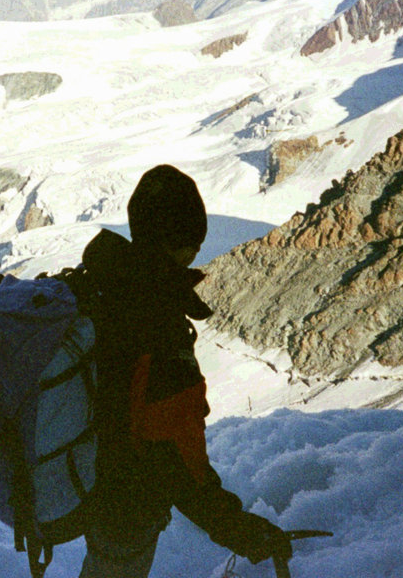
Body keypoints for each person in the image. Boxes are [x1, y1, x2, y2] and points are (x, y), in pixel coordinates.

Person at [77, 164, 290, 577]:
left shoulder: (106, 284)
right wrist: (236, 528)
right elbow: (178, 454)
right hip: (126, 503)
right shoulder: (156, 319)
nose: (196, 250)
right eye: (192, 240)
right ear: (181, 243)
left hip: (92, 483)